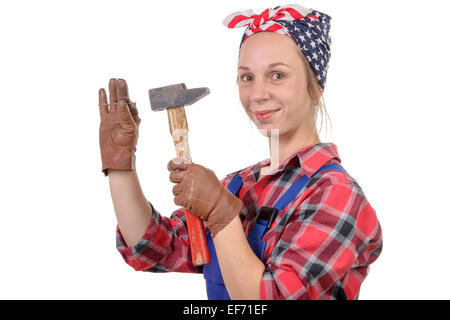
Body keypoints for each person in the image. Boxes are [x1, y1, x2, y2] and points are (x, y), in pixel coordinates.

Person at [98, 4, 383, 300]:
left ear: (316, 86)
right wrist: (120, 166)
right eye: (247, 77)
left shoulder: (336, 195)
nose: (258, 94)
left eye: (277, 76)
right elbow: (156, 248)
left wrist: (222, 214)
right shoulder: (240, 185)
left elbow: (269, 298)